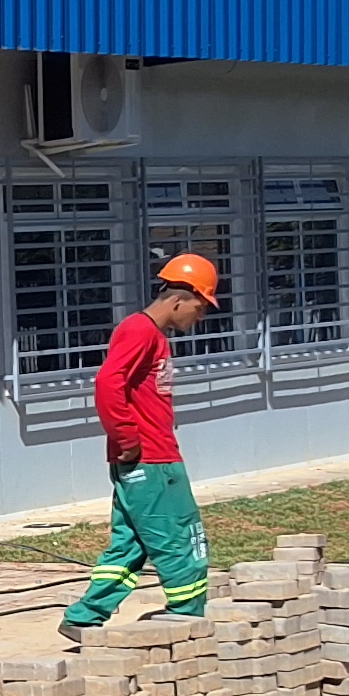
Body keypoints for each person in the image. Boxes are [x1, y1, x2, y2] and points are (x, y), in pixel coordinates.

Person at [61, 254, 224, 647]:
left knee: (131, 543)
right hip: (151, 460)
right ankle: (189, 619)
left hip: (144, 458)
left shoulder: (150, 335)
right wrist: (129, 439)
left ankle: (85, 616)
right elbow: (107, 385)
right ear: (178, 299)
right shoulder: (141, 331)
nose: (199, 318)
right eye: (200, 308)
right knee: (182, 538)